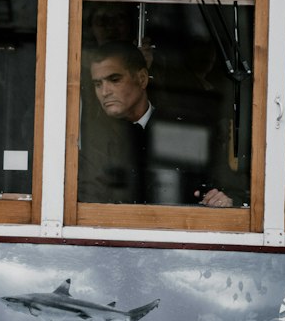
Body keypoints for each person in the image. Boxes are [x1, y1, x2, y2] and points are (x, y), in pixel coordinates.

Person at [79, 41, 234, 206]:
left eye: (115, 79)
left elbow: (227, 186)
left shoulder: (183, 129)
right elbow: (88, 199)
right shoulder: (92, 140)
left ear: (142, 79)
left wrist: (223, 199)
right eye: (98, 84)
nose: (105, 92)